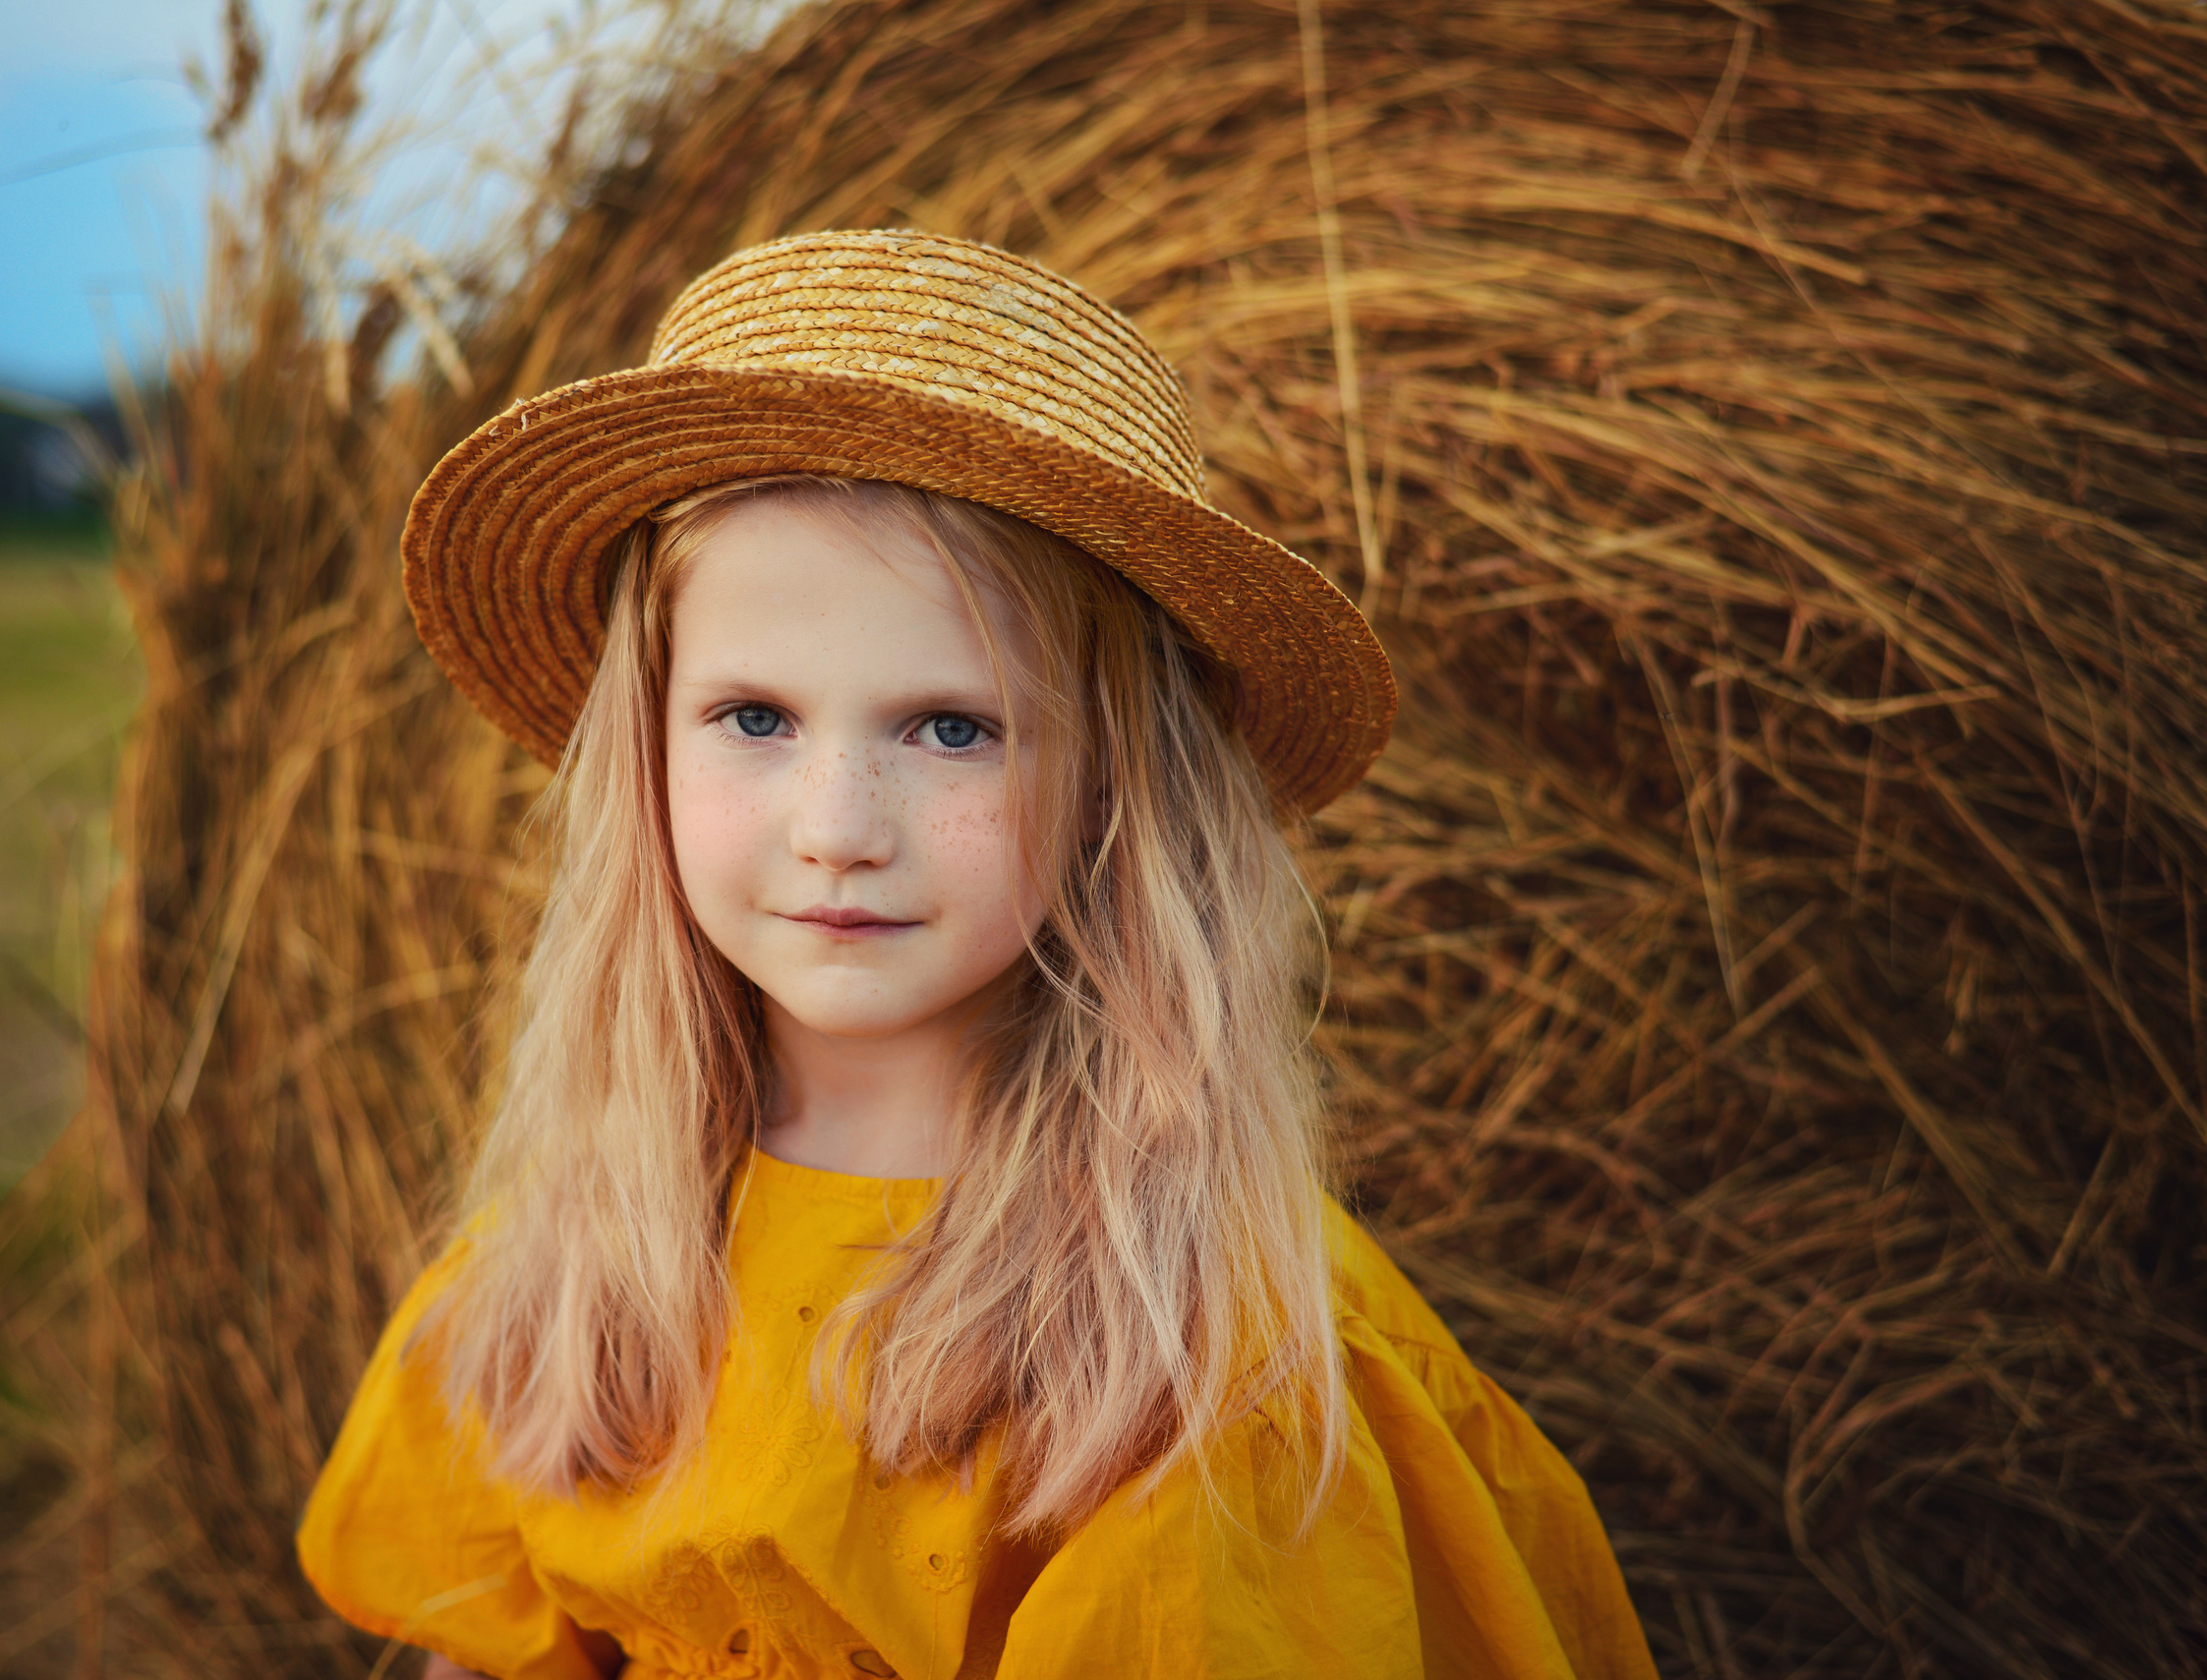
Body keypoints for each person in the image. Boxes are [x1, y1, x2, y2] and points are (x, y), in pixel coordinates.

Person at [298, 230, 1655, 1680]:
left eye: (952, 726)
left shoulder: (1187, 1344)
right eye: (754, 715)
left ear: (1115, 790)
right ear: (644, 743)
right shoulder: (591, 1231)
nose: (837, 828)